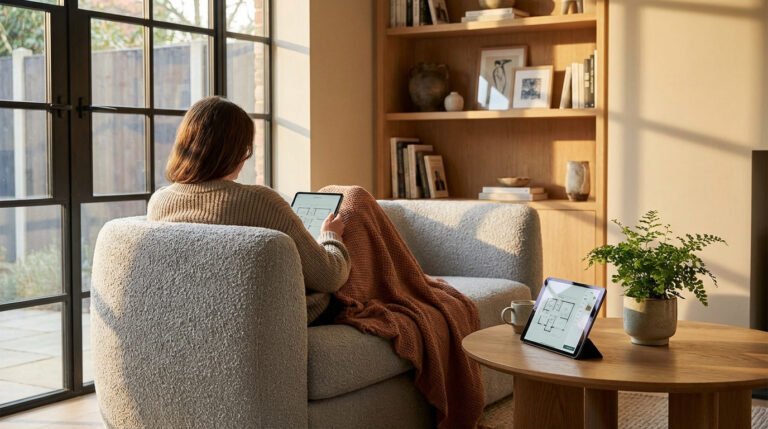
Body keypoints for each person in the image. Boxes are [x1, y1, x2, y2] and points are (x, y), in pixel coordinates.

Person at [147, 96, 350, 325]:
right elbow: (330, 276)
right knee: (355, 201)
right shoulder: (260, 201)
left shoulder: (159, 202)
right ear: (237, 152)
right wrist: (331, 236)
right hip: (264, 320)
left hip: (191, 320)